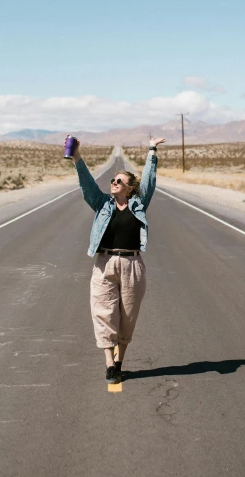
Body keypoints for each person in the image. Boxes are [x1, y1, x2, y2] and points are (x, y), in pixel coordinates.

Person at [71, 137, 166, 384]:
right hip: (104, 264)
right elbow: (87, 185)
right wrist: (77, 156)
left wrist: (152, 150)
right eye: (112, 181)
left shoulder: (139, 204)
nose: (113, 183)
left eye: (119, 181)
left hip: (132, 266)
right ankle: (110, 364)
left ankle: (120, 360)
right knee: (103, 313)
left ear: (129, 188)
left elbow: (149, 181)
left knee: (127, 317)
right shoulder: (102, 204)